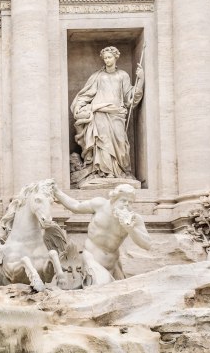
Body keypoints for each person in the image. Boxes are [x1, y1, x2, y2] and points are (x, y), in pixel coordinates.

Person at [52, 183, 151, 285]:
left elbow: (147, 244)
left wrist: (130, 228)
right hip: (91, 259)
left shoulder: (134, 219)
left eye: (130, 202)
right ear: (114, 199)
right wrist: (57, 192)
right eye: (123, 200)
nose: (127, 204)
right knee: (103, 285)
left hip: (113, 265)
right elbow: (75, 206)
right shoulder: (100, 205)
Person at [71, 46, 143, 181]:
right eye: (105, 58)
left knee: (120, 142)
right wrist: (79, 106)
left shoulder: (123, 75)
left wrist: (141, 80)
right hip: (100, 113)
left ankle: (119, 171)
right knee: (102, 142)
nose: (107, 60)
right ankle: (104, 172)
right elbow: (86, 94)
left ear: (116, 57)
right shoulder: (97, 76)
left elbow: (130, 97)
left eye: (109, 57)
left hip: (117, 113)